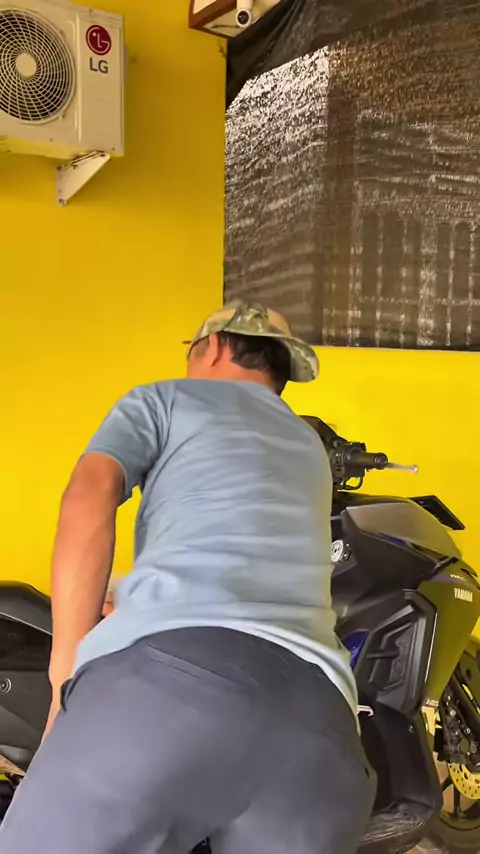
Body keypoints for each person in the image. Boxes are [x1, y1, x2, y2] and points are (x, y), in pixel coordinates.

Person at [0, 301, 375, 854]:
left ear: (214, 347)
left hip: (173, 689)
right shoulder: (307, 445)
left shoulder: (165, 399)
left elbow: (89, 495)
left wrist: (64, 677)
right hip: (321, 727)